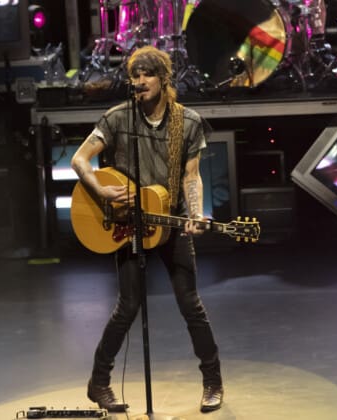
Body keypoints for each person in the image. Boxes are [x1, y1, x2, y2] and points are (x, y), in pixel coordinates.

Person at [70, 45, 223, 414]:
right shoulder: (118, 117)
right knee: (128, 307)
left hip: (170, 220)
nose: (140, 81)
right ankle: (99, 382)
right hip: (129, 223)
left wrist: (196, 213)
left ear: (163, 78)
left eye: (147, 74)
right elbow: (79, 159)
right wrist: (100, 189)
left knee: (190, 304)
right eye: (135, 75)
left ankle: (213, 382)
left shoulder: (187, 122)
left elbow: (191, 176)